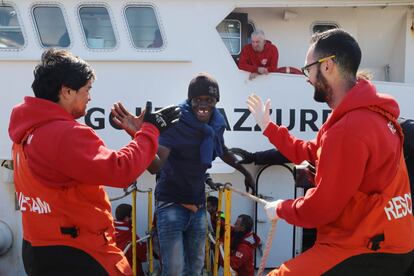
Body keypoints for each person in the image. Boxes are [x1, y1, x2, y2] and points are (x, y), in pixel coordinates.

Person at [247, 29, 414, 275]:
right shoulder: (372, 114)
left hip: (366, 246)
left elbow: (321, 209)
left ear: (327, 66)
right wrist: (268, 127)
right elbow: (307, 151)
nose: (306, 78)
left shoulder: (348, 128)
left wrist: (282, 208)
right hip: (393, 240)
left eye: (307, 69)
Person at [8, 48, 180, 276]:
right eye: (87, 89)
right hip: (76, 252)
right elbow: (121, 170)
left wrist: (139, 137)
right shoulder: (64, 134)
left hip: (37, 247)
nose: (90, 97)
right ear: (66, 91)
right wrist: (149, 131)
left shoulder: (26, 133)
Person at [115, 72, 255, 275]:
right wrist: (138, 136)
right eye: (198, 100)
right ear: (190, 100)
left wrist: (245, 172)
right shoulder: (177, 122)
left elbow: (222, 150)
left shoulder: (216, 124)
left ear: (216, 101)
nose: (203, 104)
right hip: (172, 205)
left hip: (198, 208)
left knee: (196, 269)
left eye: (209, 100)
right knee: (174, 270)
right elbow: (156, 166)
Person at [114, 204, 147, 276]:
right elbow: (142, 255)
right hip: (131, 271)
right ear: (126, 218)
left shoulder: (109, 231)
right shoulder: (130, 235)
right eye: (132, 216)